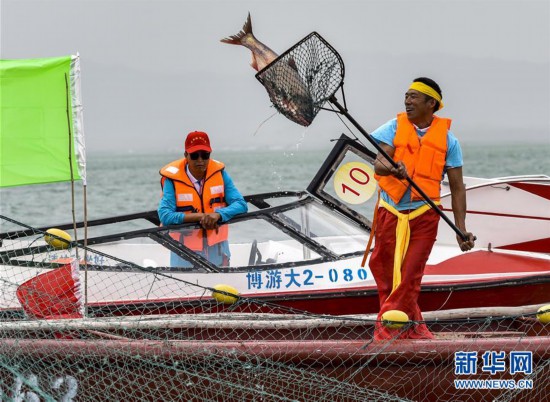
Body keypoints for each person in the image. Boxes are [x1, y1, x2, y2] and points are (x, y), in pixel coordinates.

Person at [369, 77, 476, 340]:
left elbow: (458, 187)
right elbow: (379, 164)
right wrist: (394, 167)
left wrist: (461, 230)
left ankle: (386, 333)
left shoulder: (449, 142)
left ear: (432, 103)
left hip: (424, 214)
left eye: (414, 97)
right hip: (390, 211)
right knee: (383, 270)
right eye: (406, 96)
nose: (407, 101)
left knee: (409, 275)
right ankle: (412, 328)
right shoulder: (393, 127)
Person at [158, 131, 247, 267]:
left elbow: (241, 204)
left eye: (205, 155)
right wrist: (201, 217)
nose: (200, 160)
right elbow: (165, 215)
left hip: (218, 252)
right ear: (186, 156)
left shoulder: (221, 174)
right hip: (184, 256)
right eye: (194, 155)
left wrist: (218, 215)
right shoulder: (172, 181)